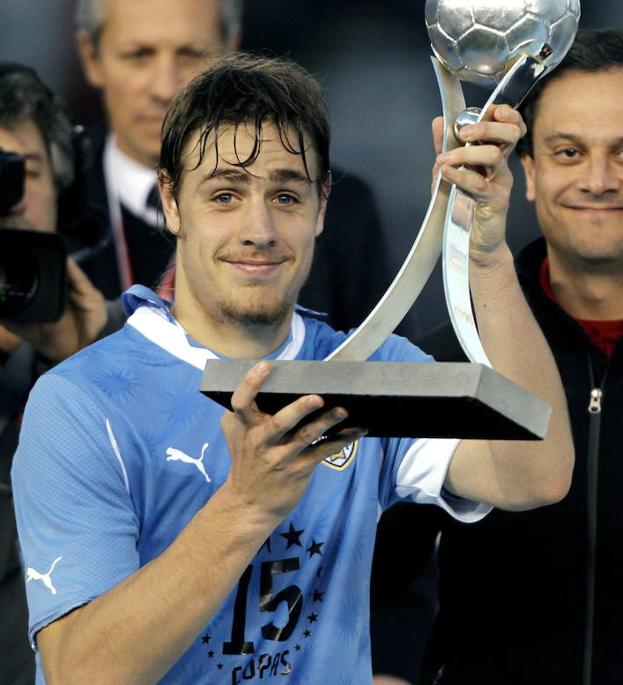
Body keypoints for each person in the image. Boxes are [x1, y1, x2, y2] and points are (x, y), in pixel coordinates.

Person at [11, 53, 572, 685]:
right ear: (171, 201)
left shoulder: (364, 368)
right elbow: (79, 673)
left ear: (322, 205)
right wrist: (246, 507)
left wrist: (487, 253)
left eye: (286, 194)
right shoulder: (79, 401)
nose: (260, 229)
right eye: (224, 194)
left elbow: (537, 473)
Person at [415, 28, 623, 685]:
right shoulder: (442, 364)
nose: (597, 180)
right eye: (568, 151)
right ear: (527, 173)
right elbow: (384, 578)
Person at [74, 0, 390, 331]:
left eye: (191, 54)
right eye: (139, 55)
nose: (165, 88)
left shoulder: (344, 209)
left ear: (231, 51)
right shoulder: (44, 197)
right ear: (91, 57)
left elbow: (387, 375)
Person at [0, 63, 114, 685]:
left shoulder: (121, 346)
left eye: (27, 171)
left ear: (65, 193)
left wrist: (84, 365)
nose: (8, 193)